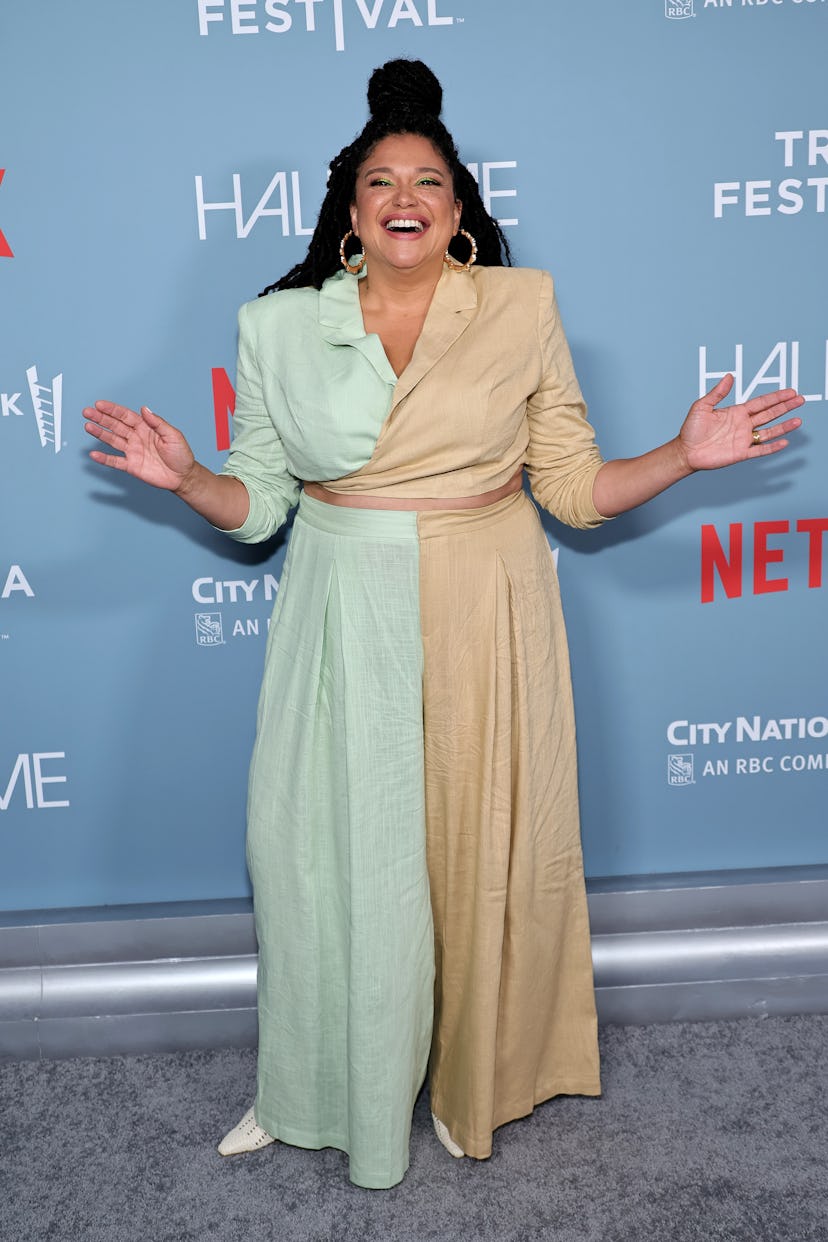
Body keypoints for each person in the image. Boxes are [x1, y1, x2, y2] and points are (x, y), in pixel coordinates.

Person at [83, 59, 803, 1190]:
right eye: (380, 182)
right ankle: (313, 1089)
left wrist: (683, 457)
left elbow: (569, 486)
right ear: (351, 213)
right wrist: (186, 478)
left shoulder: (522, 307)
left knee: (481, 854)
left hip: (487, 598)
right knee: (320, 860)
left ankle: (479, 1084)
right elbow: (259, 505)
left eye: (427, 179)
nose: (403, 195)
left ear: (460, 211)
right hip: (339, 604)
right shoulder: (274, 327)